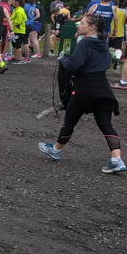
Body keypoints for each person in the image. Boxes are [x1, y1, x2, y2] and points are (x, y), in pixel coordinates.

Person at [39, 12, 124, 173]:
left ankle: (56, 150)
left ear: (92, 27)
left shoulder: (85, 44)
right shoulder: (103, 42)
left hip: (84, 88)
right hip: (103, 87)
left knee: (69, 121)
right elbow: (106, 63)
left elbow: (74, 65)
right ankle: (116, 159)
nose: (80, 25)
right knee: (106, 125)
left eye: (83, 24)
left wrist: (63, 60)